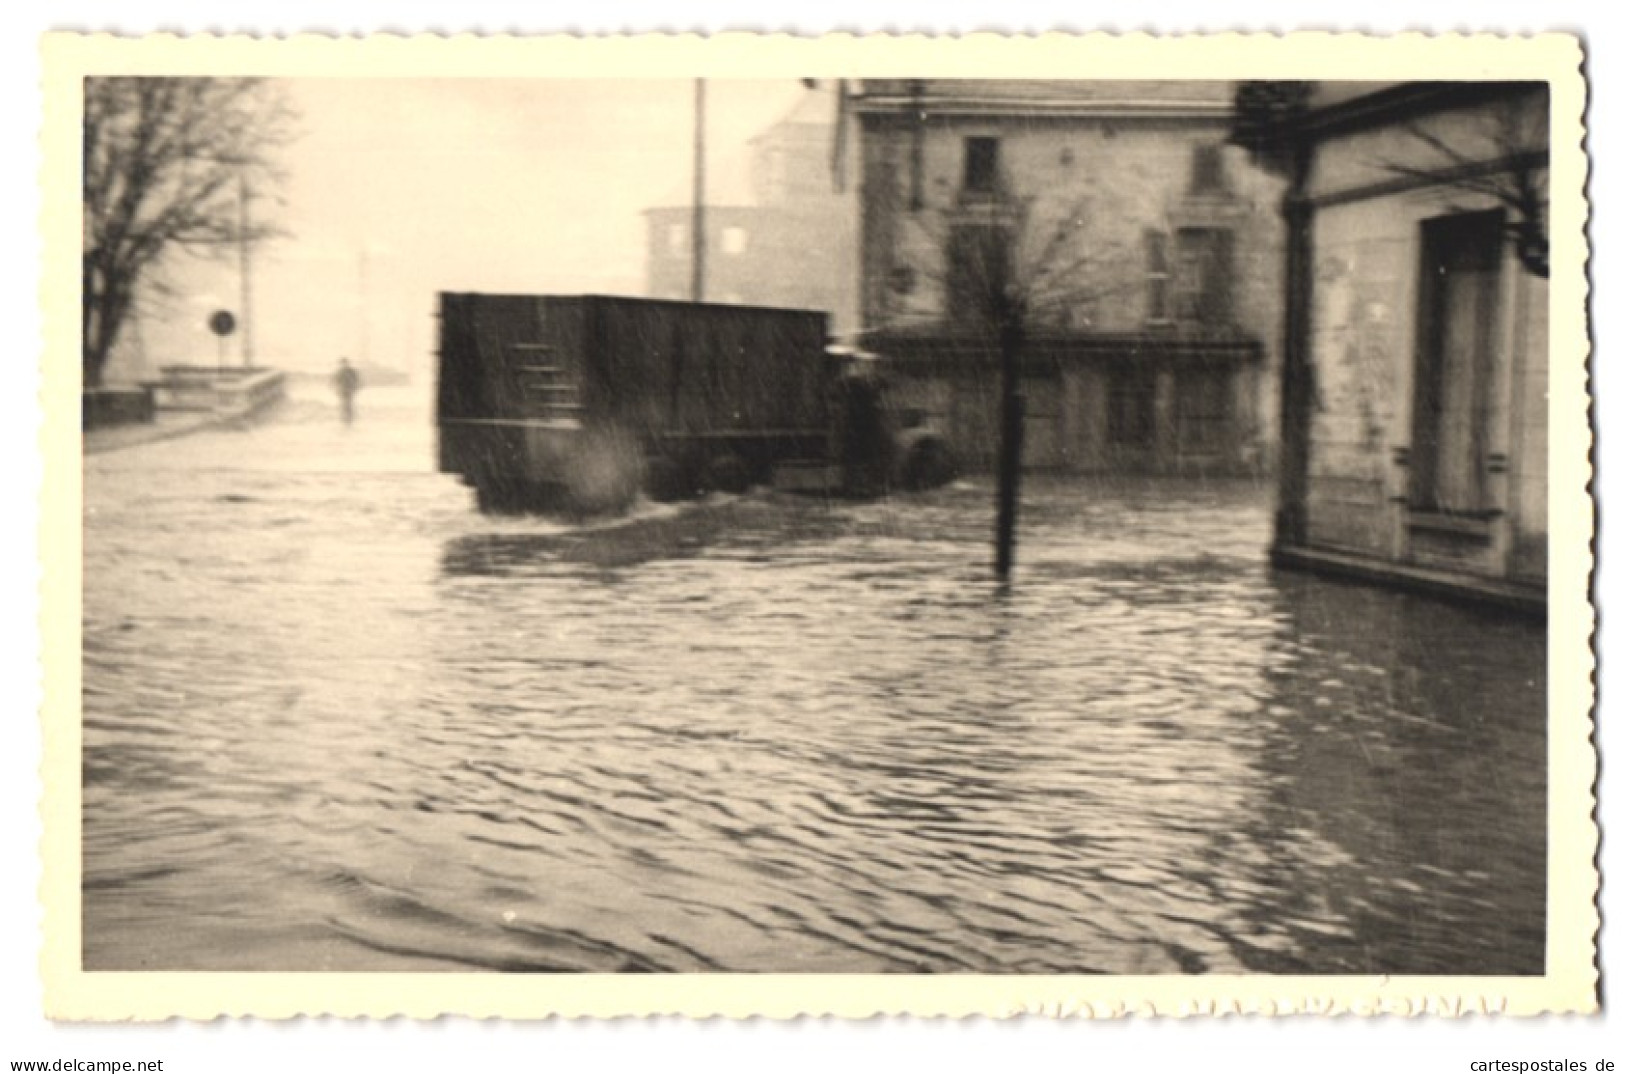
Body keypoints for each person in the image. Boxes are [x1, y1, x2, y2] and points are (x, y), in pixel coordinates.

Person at [334, 358, 361, 425]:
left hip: (348, 389)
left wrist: (355, 387)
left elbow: (356, 380)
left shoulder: (349, 371)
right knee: (345, 403)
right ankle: (346, 417)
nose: (344, 365)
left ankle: (348, 417)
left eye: (344, 363)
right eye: (343, 363)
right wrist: (337, 388)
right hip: (344, 389)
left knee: (348, 403)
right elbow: (336, 381)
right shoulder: (341, 372)